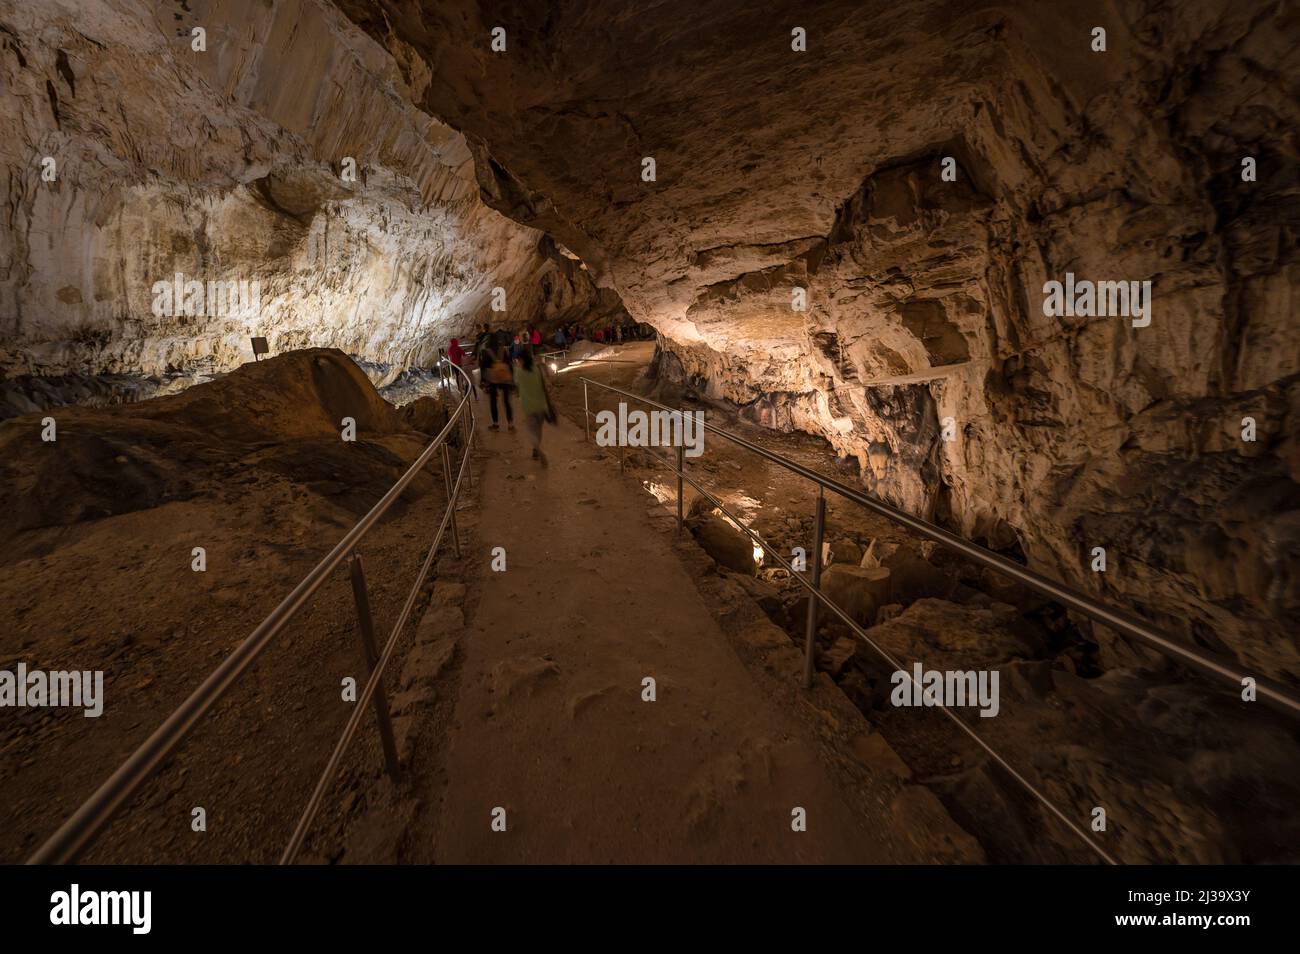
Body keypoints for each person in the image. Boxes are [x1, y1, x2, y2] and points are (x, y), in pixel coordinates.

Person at [513, 346, 555, 465]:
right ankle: (536, 450)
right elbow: (544, 384)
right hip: (541, 404)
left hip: (528, 406)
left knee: (531, 430)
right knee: (539, 429)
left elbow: (516, 383)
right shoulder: (537, 369)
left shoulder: (519, 372)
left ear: (521, 360)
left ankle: (537, 448)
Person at [480, 334, 514, 431]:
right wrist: (512, 379)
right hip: (505, 378)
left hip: (493, 380)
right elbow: (509, 364)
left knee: (493, 402)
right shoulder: (503, 350)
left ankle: (496, 424)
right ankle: (510, 424)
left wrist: (483, 381)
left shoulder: (486, 352)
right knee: (507, 402)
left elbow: (483, 368)